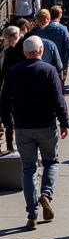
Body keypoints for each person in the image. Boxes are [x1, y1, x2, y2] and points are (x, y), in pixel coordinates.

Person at [0, 35, 69, 230]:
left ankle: (32, 214)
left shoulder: (13, 72)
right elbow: (59, 99)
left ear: (24, 52)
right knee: (51, 162)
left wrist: (7, 124)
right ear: (41, 51)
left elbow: (4, 101)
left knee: (28, 169)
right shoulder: (49, 70)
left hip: (23, 127)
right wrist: (64, 122)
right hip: (46, 125)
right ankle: (46, 194)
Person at [36, 7, 69, 87]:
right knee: (60, 83)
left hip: (46, 60)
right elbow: (68, 46)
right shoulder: (63, 29)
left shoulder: (40, 31)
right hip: (61, 60)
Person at [0, 25, 22, 154]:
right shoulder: (11, 51)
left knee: (9, 118)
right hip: (10, 89)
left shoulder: (12, 51)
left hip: (10, 88)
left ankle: (11, 146)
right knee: (9, 118)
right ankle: (10, 146)